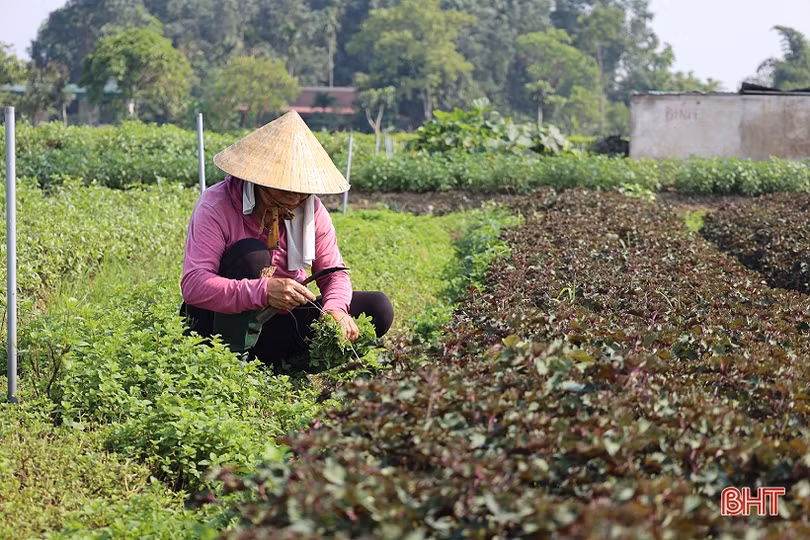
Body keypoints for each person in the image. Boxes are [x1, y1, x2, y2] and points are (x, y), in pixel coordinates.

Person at [180, 111, 394, 373]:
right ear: (260, 178)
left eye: (302, 188)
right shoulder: (217, 204)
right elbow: (194, 285)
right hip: (217, 327)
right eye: (285, 187)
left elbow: (333, 273)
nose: (295, 197)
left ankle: (284, 367)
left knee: (377, 308)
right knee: (253, 255)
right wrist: (263, 290)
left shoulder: (311, 209)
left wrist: (336, 310)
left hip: (277, 323)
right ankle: (229, 366)